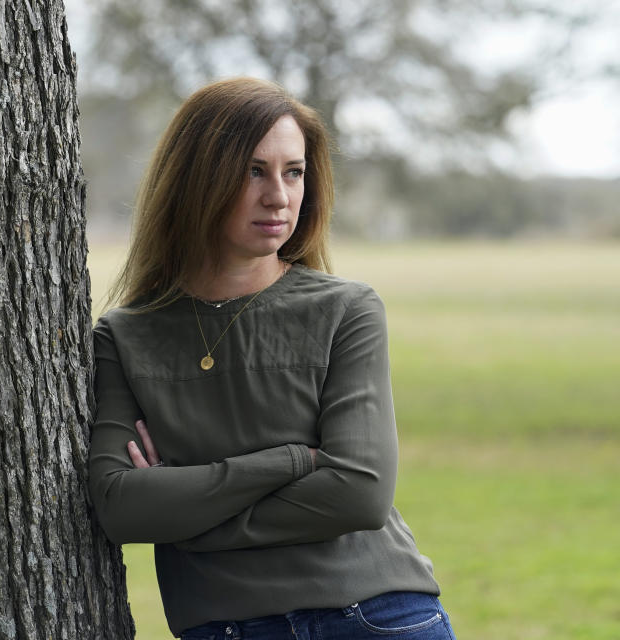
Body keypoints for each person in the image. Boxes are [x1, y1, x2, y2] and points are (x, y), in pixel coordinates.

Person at [89, 77, 456, 640]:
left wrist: (188, 512)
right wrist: (289, 462)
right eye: (253, 170)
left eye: (294, 172)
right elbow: (120, 506)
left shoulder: (346, 309)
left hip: (374, 616)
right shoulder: (125, 336)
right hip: (225, 628)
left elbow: (360, 494)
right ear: (195, 178)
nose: (279, 197)